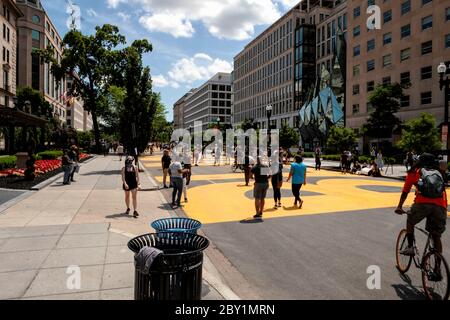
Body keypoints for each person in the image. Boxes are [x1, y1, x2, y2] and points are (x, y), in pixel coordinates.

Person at [395, 154, 447, 280]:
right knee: (436, 236)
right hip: (441, 206)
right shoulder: (438, 172)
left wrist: (399, 206)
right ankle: (437, 270)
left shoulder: (414, 172)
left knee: (410, 221)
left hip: (422, 204)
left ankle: (410, 247)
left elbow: (405, 191)